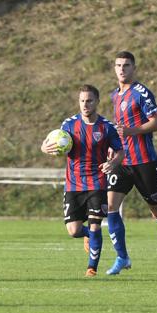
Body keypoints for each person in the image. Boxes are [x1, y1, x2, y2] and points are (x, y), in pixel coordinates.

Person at [105, 51, 157, 275]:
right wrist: (113, 145)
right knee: (111, 206)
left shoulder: (141, 93)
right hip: (122, 161)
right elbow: (118, 128)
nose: (122, 69)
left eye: (126, 65)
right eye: (118, 65)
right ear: (114, 68)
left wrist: (132, 131)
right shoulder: (115, 95)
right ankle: (122, 257)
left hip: (144, 161)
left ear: (134, 68)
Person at [41, 84, 124, 277]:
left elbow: (120, 151)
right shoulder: (69, 125)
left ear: (97, 102)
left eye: (89, 101)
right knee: (73, 230)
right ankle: (87, 235)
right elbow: (51, 142)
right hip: (74, 184)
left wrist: (113, 164)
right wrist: (44, 148)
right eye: (82, 101)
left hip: (97, 182)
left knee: (96, 225)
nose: (85, 105)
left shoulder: (106, 127)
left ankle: (91, 268)